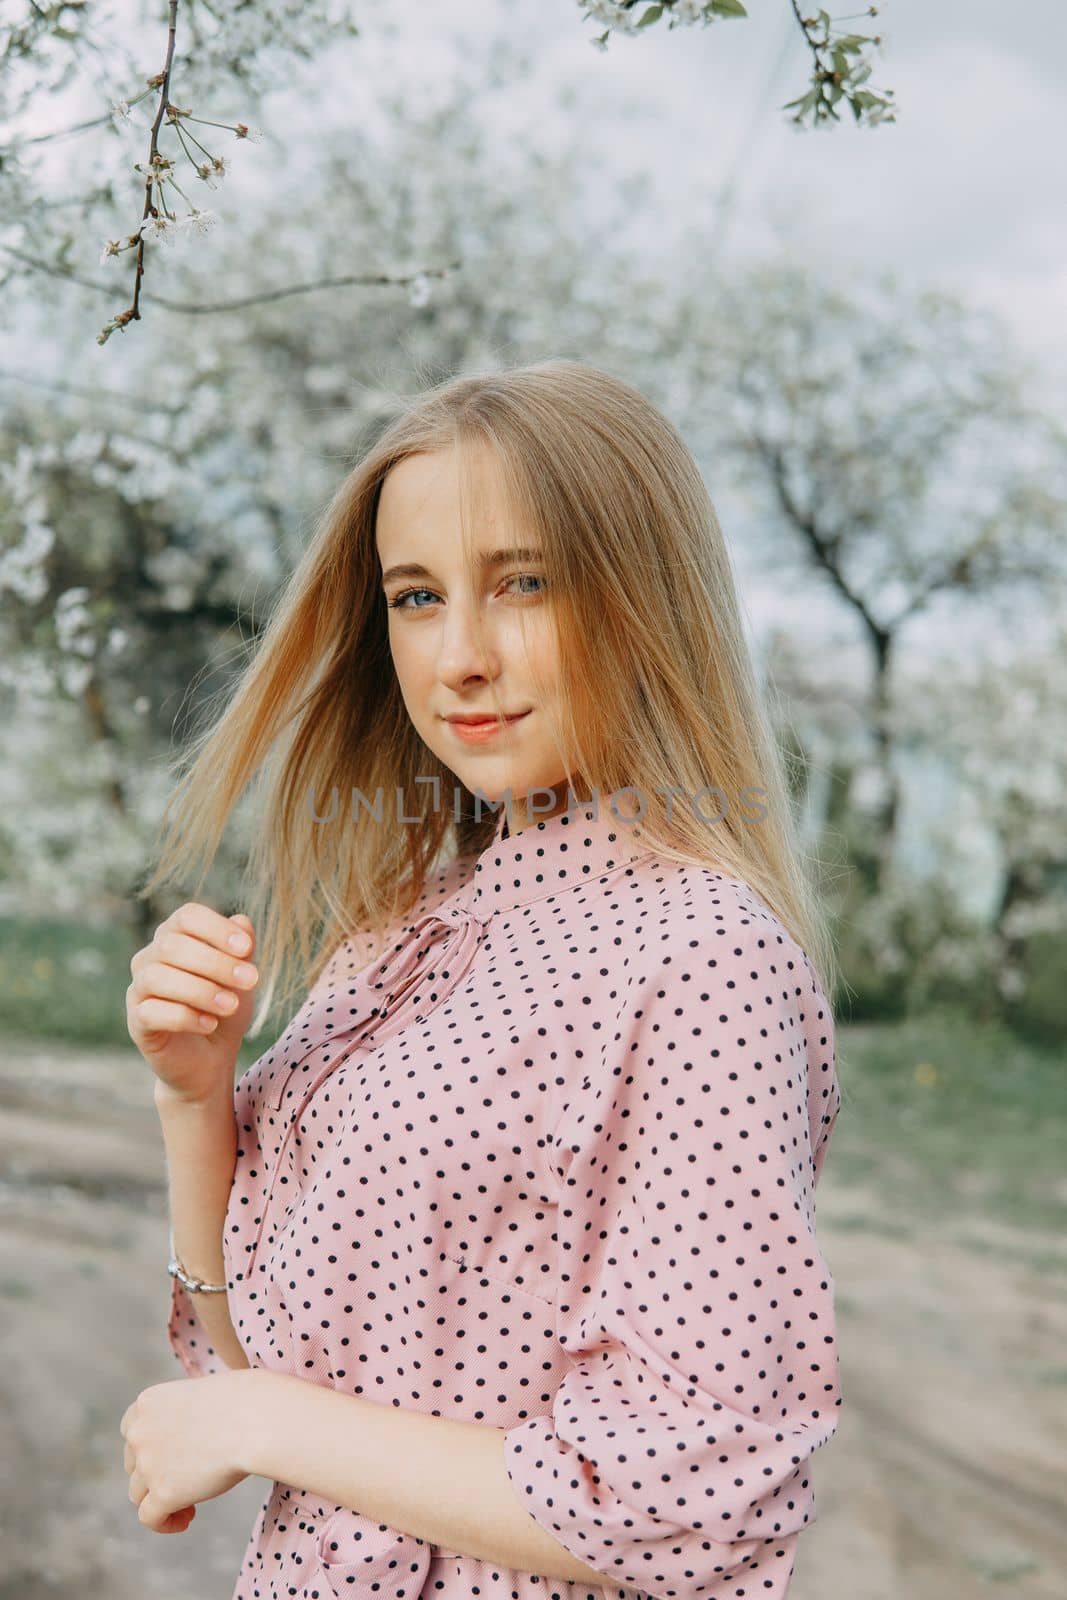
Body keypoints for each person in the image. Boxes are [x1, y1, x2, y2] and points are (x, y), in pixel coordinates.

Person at [122, 359, 843, 1600]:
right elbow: (264, 1356)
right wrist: (197, 1095)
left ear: (644, 597)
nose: (457, 656)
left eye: (521, 582)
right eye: (414, 596)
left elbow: (674, 1503)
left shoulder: (700, 955)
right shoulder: (399, 937)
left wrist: (263, 1428)